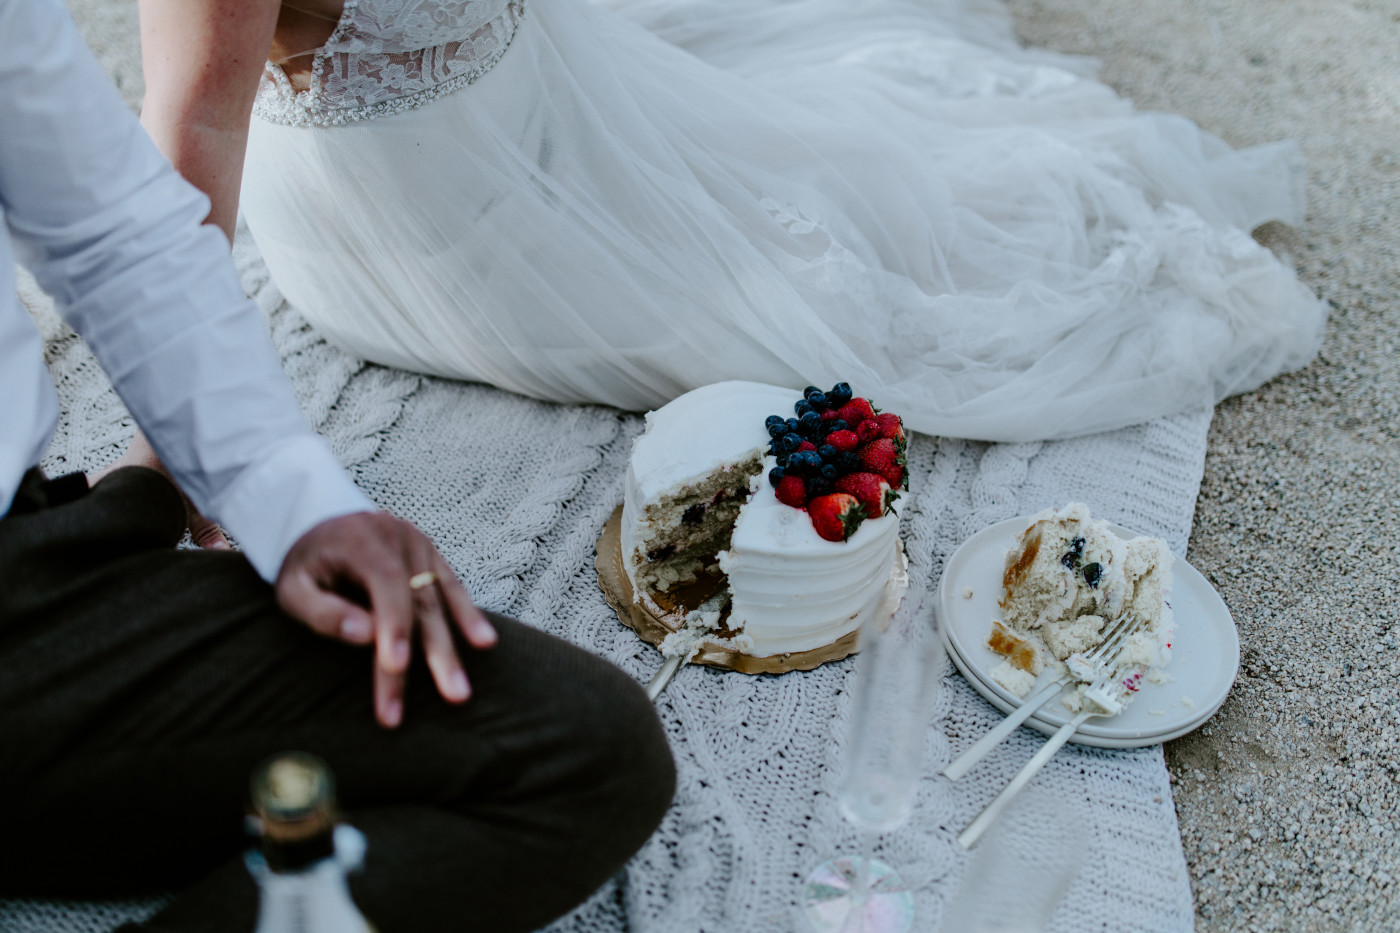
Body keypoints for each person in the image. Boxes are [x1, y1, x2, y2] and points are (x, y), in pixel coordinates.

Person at [0, 2, 675, 931]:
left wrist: (286, 490)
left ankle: (128, 511)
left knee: (584, 747)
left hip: (28, 572)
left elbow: (113, 228)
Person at [118, 0, 1324, 464]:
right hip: (419, 237)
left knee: (837, 157)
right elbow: (189, 142)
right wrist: (179, 439)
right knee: (821, 298)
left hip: (542, 92)